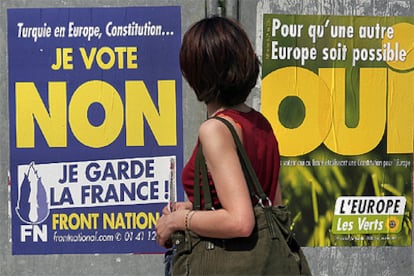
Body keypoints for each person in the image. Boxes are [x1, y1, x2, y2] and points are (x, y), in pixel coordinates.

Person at [155, 15, 281, 270]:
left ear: (196, 72)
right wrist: (196, 207)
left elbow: (241, 221)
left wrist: (178, 220)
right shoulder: (259, 123)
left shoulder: (216, 129)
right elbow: (270, 206)